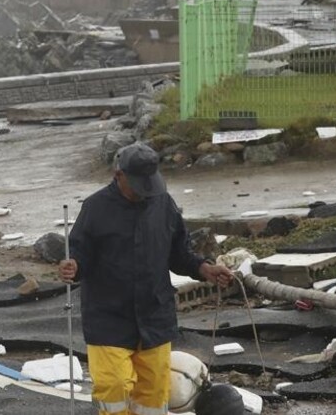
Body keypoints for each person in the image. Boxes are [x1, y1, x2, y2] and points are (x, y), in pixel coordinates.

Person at [58, 142, 233, 415]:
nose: (146, 193)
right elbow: (80, 256)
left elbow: (179, 255)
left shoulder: (164, 205)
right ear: (119, 175)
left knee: (154, 391)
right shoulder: (95, 208)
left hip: (155, 315)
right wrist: (73, 267)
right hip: (109, 317)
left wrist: (203, 269)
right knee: (113, 385)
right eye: (139, 185)